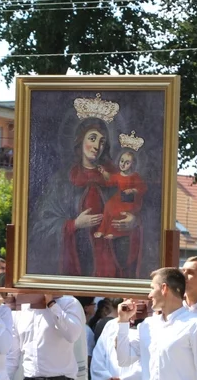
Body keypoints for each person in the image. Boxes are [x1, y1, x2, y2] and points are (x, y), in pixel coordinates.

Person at [29, 116, 142, 279]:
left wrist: (133, 222)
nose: (97, 146)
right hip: (76, 259)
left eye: (102, 141)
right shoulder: (63, 181)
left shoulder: (114, 178)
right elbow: (40, 226)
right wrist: (74, 224)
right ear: (80, 140)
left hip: (109, 258)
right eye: (92, 138)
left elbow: (133, 210)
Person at [96, 147, 147, 240]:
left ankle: (113, 233)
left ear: (132, 165)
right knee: (108, 206)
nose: (123, 164)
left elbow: (142, 187)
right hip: (120, 198)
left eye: (127, 163)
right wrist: (103, 172)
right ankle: (102, 229)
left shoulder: (135, 176)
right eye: (122, 161)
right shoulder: (118, 175)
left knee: (119, 213)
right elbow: (110, 180)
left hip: (131, 200)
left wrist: (132, 190)